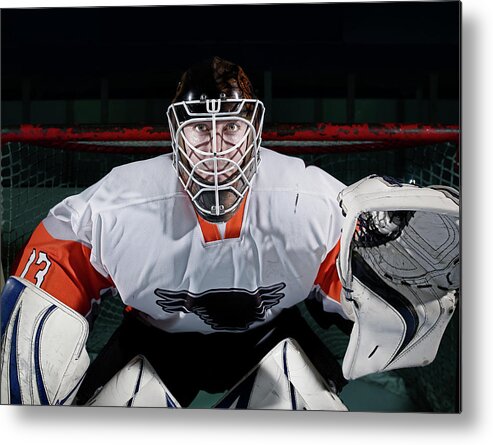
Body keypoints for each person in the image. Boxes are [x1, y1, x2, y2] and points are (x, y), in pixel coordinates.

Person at [0, 57, 460, 409]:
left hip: (267, 336)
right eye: (201, 129)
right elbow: (59, 252)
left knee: (309, 409)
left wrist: (382, 287)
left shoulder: (313, 201)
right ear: (177, 133)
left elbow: (343, 287)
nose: (217, 150)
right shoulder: (121, 204)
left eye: (231, 130)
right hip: (156, 341)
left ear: (253, 131)